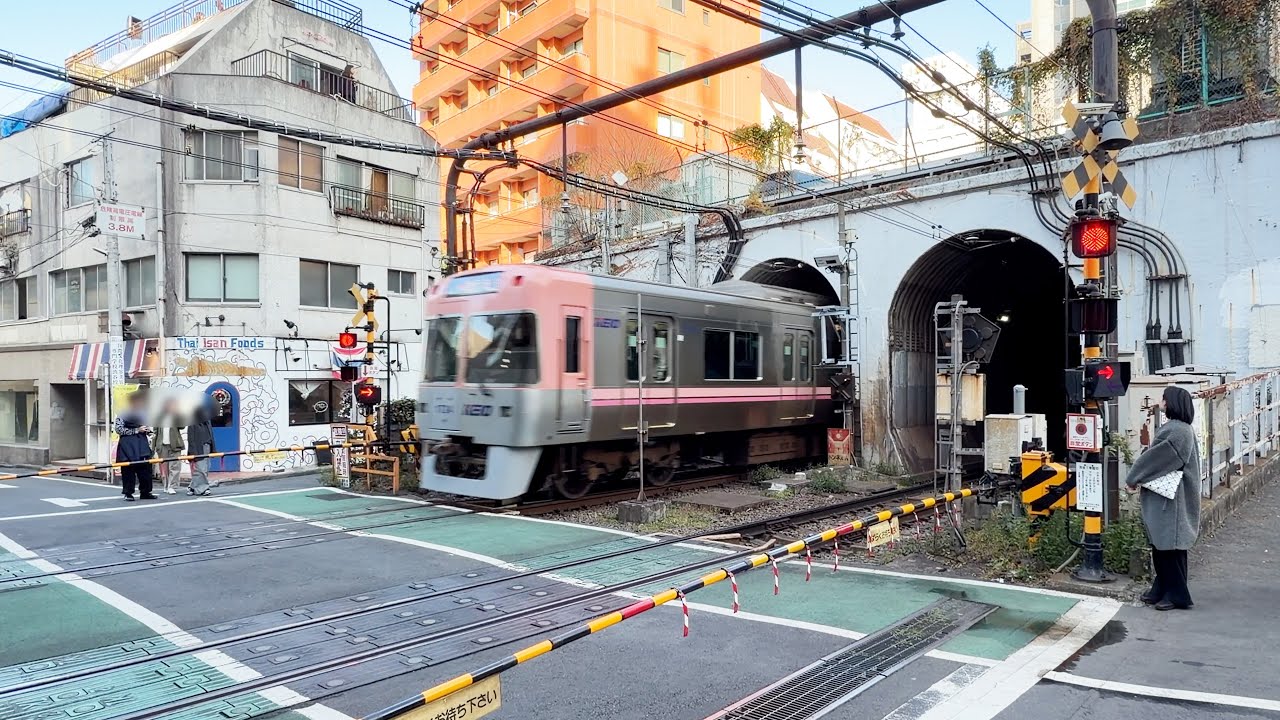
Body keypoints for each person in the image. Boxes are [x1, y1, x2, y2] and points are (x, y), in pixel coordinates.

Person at [1124, 386, 1202, 611]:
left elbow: (1156, 458)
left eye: (1165, 399)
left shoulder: (1177, 431)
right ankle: (1161, 588)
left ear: (1173, 403)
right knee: (1165, 546)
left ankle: (1177, 595)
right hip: (1170, 497)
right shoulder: (1181, 429)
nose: (1162, 403)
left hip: (1172, 500)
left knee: (1169, 547)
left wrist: (1134, 476)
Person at [113, 392, 156, 501]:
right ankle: (128, 493)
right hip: (128, 445)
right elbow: (118, 429)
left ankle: (145, 492)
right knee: (128, 470)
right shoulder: (123, 414)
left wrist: (148, 431)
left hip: (142, 444)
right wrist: (136, 430)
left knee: (145, 470)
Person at [156, 399, 186, 495]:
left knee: (175, 466)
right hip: (162, 445)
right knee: (164, 467)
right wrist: (155, 446)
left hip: (175, 444)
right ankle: (165, 485)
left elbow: (182, 426)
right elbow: (156, 432)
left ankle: (172, 486)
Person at [187, 404, 216, 496]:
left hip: (207, 446)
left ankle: (192, 487)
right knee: (201, 469)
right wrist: (193, 452)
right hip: (198, 448)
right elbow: (191, 439)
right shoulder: (193, 423)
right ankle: (204, 488)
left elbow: (211, 436)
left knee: (204, 468)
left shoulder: (207, 422)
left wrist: (213, 449)